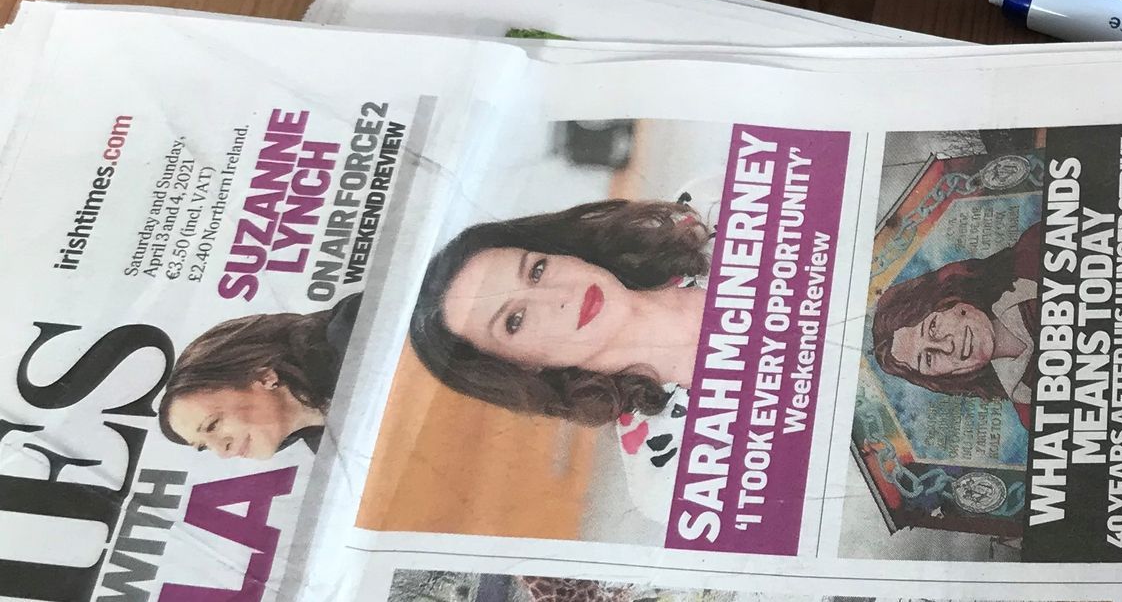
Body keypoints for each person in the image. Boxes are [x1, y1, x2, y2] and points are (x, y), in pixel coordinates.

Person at [407, 198, 710, 428]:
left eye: (537, 271)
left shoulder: (705, 219)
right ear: (521, 368)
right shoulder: (672, 458)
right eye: (515, 320)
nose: (561, 296)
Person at [868, 220, 1042, 425]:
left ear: (948, 300)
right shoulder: (1033, 414)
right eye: (929, 359)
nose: (946, 346)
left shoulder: (1035, 248)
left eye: (932, 327)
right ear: (944, 378)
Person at [158, 294, 361, 459]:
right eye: (204, 446)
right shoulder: (334, 459)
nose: (222, 451)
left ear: (264, 377)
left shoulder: (351, 330)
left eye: (213, 425)